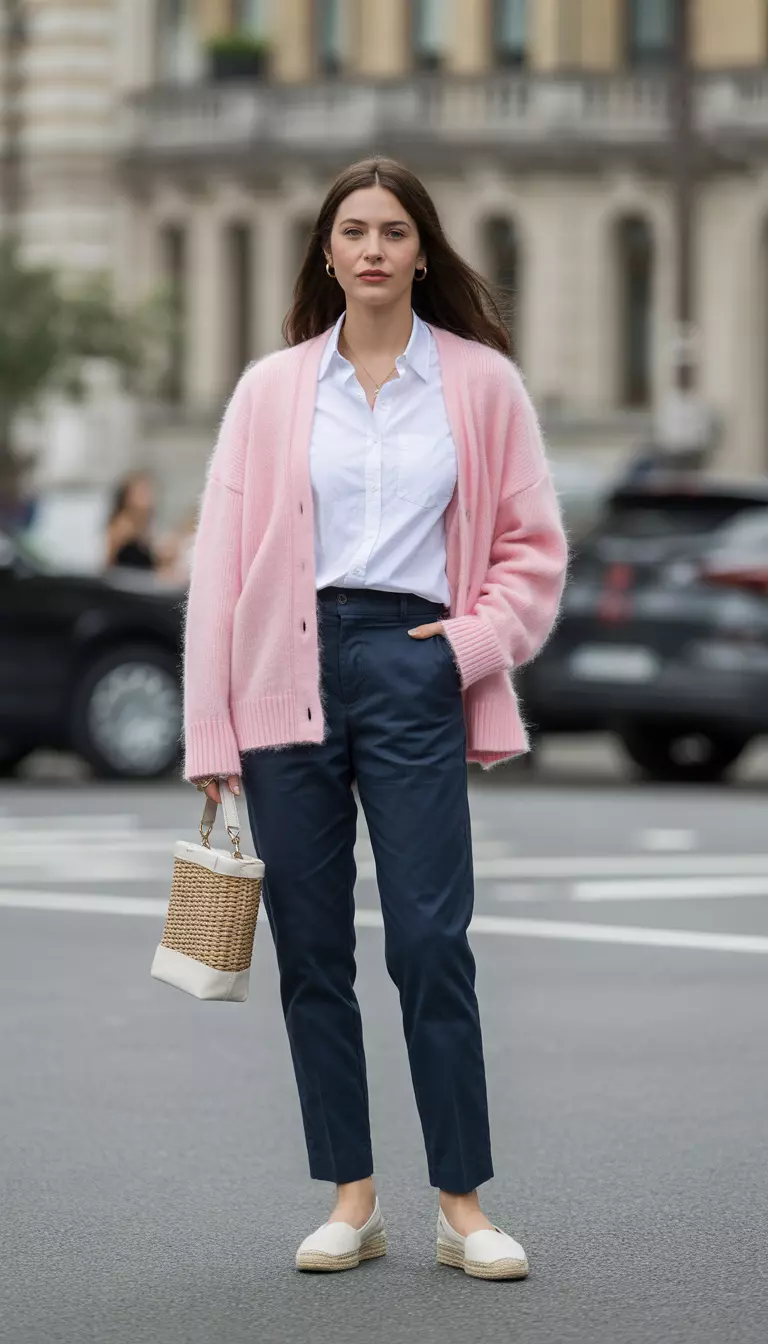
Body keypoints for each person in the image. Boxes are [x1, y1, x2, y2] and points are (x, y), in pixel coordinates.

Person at [182, 157, 568, 1280]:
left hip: (413, 667)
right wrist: (214, 733)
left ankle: (462, 1202)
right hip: (282, 672)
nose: (372, 249)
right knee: (312, 951)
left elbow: (531, 550)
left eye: (394, 231)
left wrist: (466, 647)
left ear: (422, 250)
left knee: (430, 940)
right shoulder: (271, 391)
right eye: (352, 230)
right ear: (326, 251)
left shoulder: (482, 385)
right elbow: (221, 571)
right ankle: (352, 1197)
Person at [105, 470, 181, 579]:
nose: (148, 497)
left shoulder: (146, 526)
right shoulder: (122, 525)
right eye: (141, 492)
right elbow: (109, 562)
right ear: (128, 496)